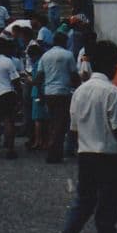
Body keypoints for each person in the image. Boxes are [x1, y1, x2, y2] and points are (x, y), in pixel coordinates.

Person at [50, 40, 117, 233]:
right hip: (107, 157)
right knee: (107, 212)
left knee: (83, 204)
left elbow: (74, 128)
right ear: (111, 65)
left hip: (85, 154)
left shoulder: (80, 91)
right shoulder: (111, 91)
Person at [37, 31, 79, 164]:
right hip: (63, 92)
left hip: (49, 92)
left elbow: (39, 77)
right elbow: (74, 75)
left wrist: (40, 93)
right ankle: (54, 153)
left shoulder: (45, 55)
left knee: (53, 122)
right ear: (64, 41)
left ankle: (54, 151)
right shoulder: (68, 55)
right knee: (60, 124)